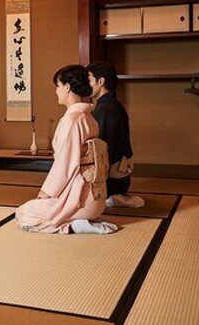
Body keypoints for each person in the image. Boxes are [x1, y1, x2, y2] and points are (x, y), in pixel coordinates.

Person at [15, 65, 118, 235]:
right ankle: (80, 220)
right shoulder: (89, 118)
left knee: (24, 213)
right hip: (96, 198)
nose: (56, 91)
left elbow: (65, 165)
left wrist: (46, 192)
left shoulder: (73, 120)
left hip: (80, 199)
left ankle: (73, 225)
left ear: (68, 87)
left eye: (58, 86)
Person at [87, 61, 145, 209]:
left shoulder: (106, 108)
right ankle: (116, 197)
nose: (86, 85)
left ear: (101, 82)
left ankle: (112, 197)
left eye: (89, 80)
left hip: (112, 179)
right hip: (120, 176)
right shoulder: (113, 105)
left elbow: (103, 148)